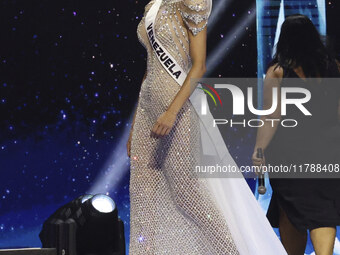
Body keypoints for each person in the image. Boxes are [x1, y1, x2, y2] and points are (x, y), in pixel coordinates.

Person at [126, 0, 287, 254]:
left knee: (187, 194)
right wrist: (135, 124)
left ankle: (229, 250)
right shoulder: (153, 5)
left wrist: (170, 112)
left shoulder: (191, 2)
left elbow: (199, 65)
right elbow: (150, 68)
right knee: (142, 193)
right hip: (147, 107)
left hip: (178, 108)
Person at [252, 14, 340, 255]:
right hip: (328, 153)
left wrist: (259, 150)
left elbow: (271, 117)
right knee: (323, 211)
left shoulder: (278, 72)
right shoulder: (334, 67)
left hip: (290, 156)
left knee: (291, 211)